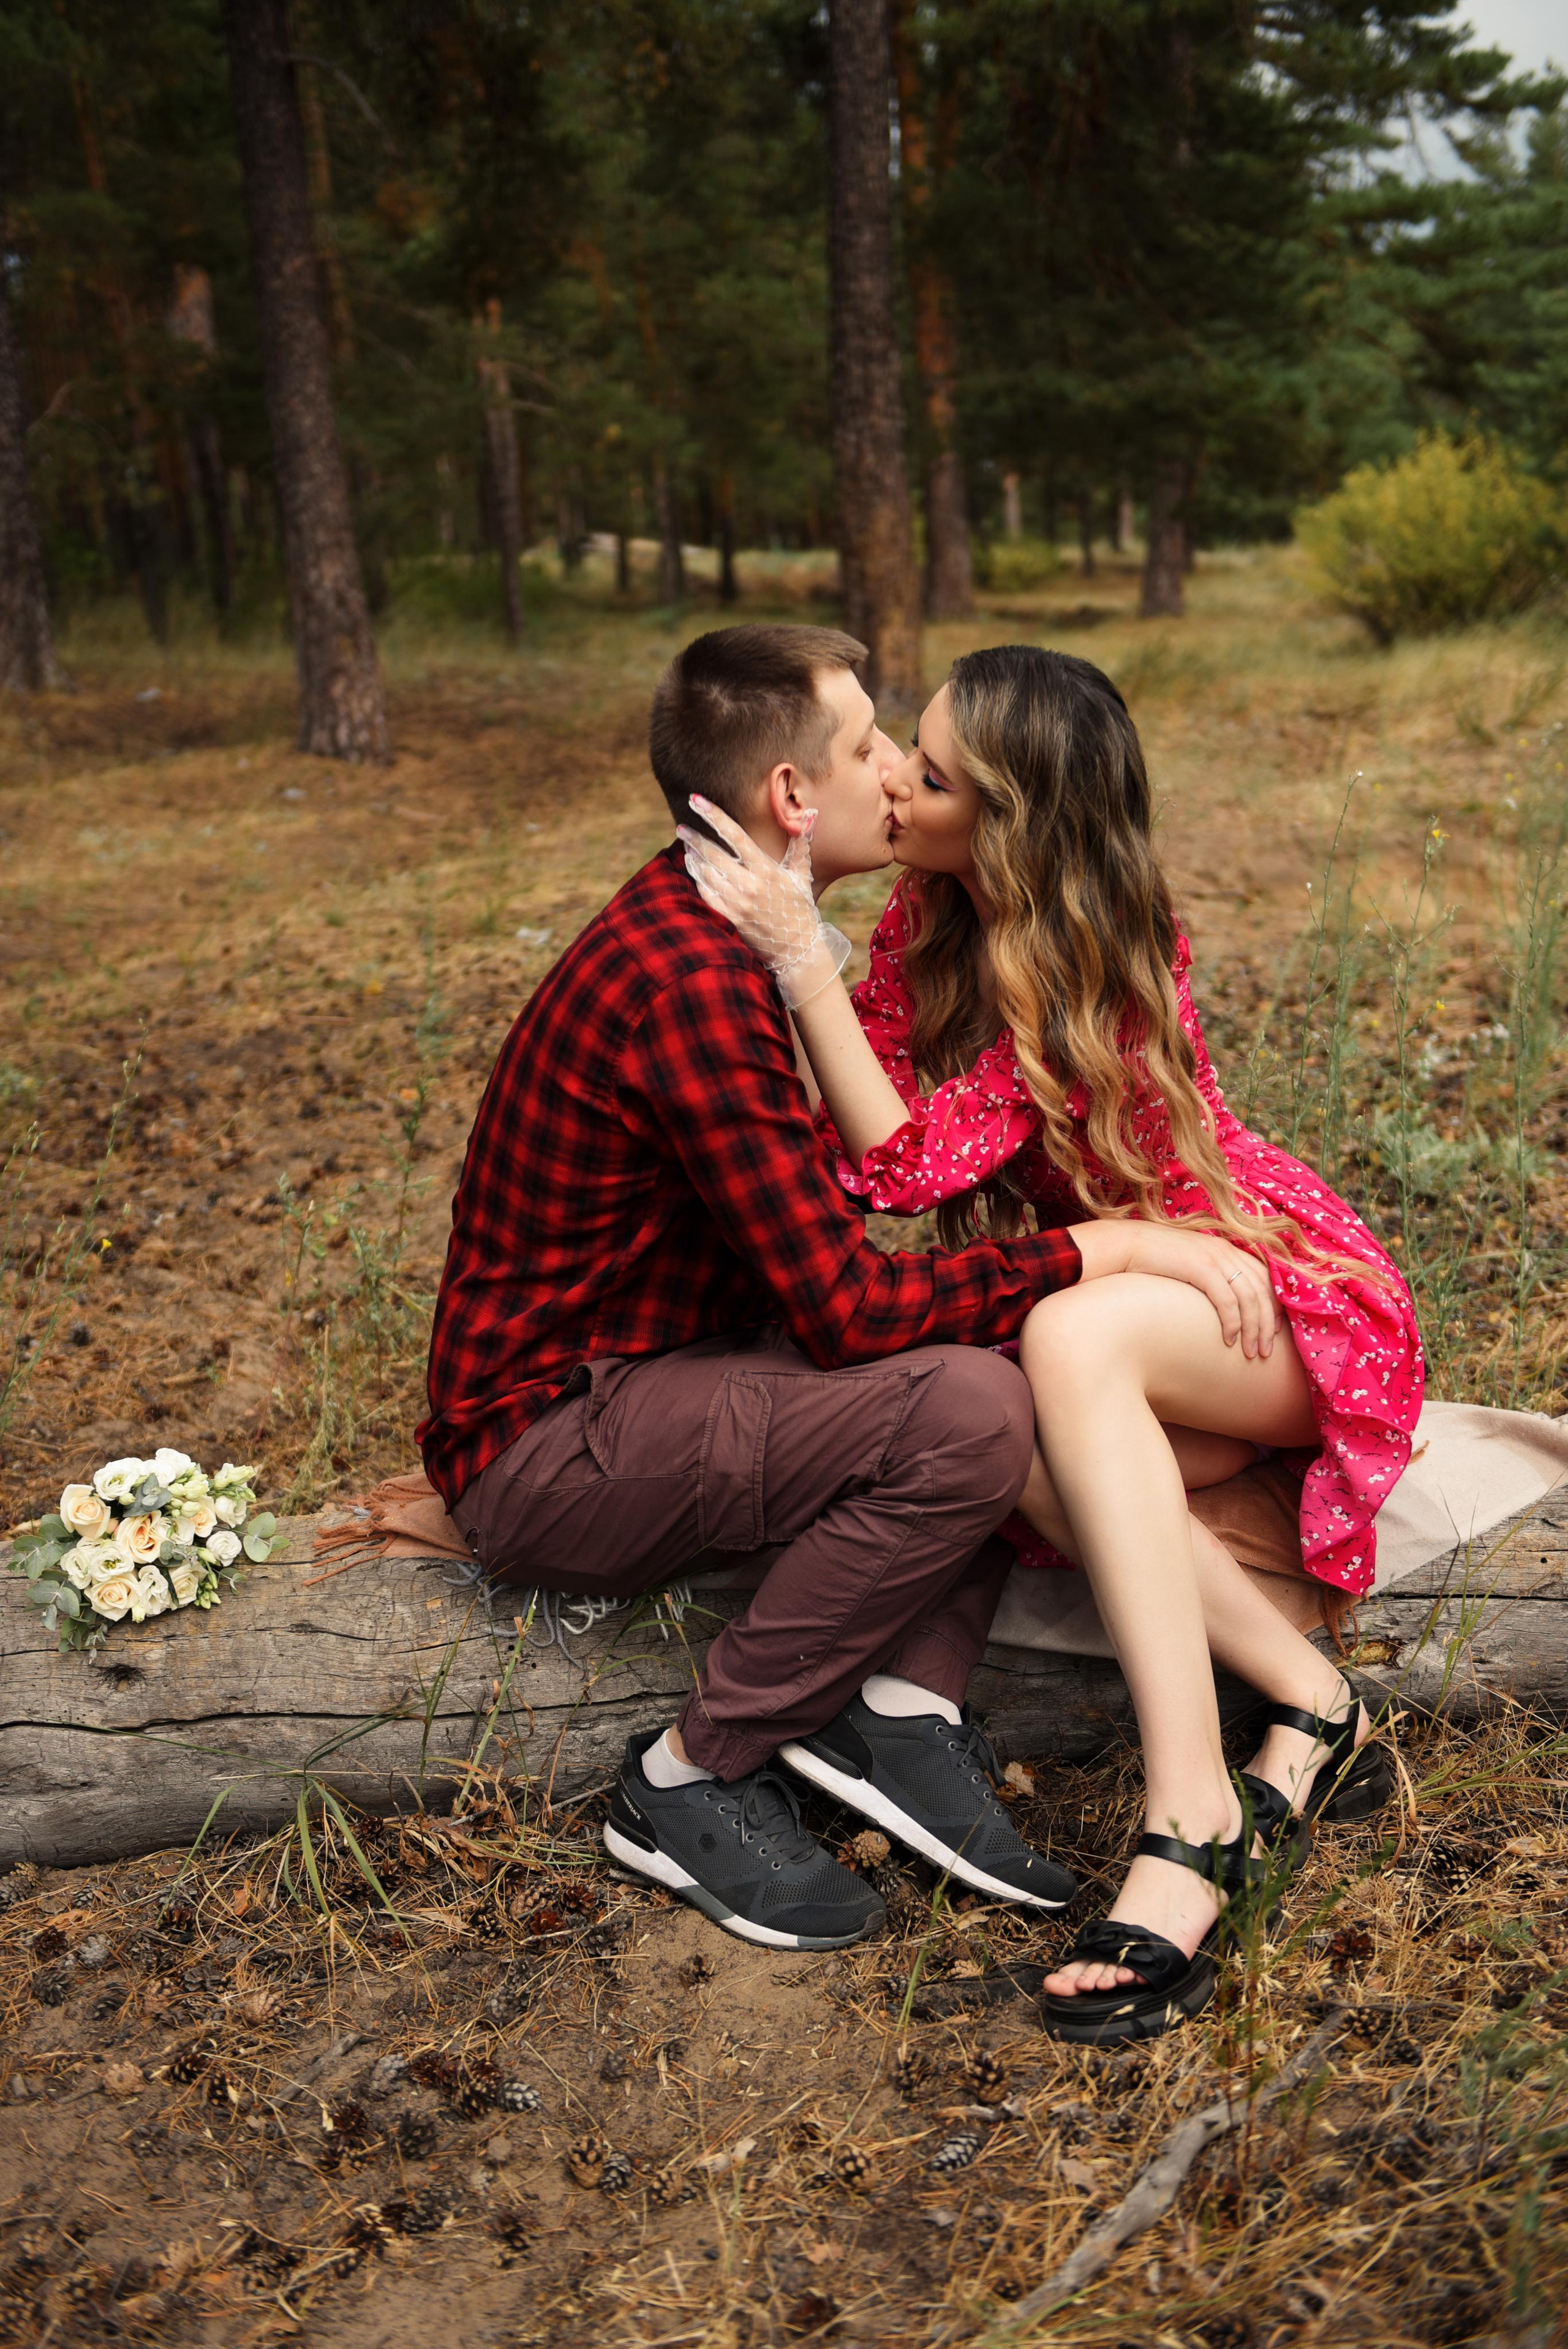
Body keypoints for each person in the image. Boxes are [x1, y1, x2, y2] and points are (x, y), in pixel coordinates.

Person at [418, 624, 1284, 1956]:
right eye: (872, 745)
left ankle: (897, 1712)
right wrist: (1090, 1253)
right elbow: (845, 1313)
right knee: (967, 1412)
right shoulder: (691, 985)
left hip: (665, 1370)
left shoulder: (742, 940)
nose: (895, 773)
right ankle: (687, 1778)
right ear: (788, 798)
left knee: (986, 1384)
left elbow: (858, 1224)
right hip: (553, 1441)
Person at [682, 643, 1422, 2035]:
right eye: (904, 743)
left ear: (1008, 822)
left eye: (933, 772)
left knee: (1062, 1342)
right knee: (1005, 1392)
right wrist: (814, 940)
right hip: (1129, 1301)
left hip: (1261, 1295)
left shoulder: (1091, 949)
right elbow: (869, 1135)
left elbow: (903, 1165)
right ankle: (1314, 1702)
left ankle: (1190, 1813)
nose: (895, 777)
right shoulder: (924, 914)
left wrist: (799, 962)